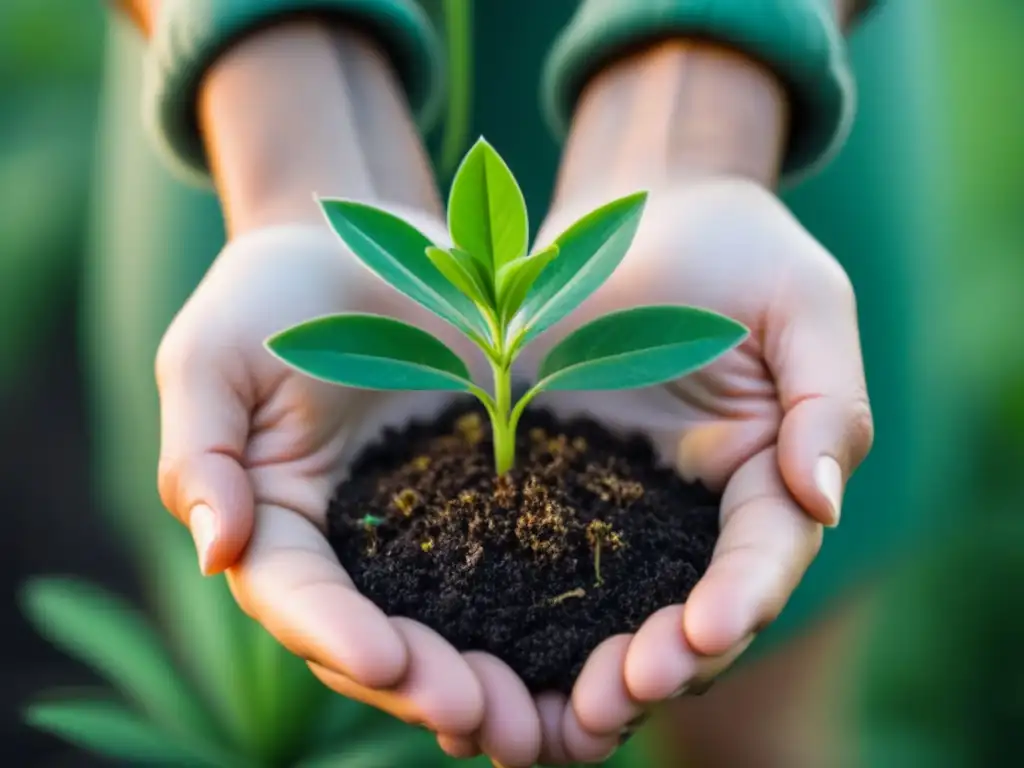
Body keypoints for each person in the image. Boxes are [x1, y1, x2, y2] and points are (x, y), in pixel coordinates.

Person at [99, 1, 929, 765]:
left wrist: (700, 97)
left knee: (758, 729)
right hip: (255, 89)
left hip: (757, 68)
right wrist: (290, 109)